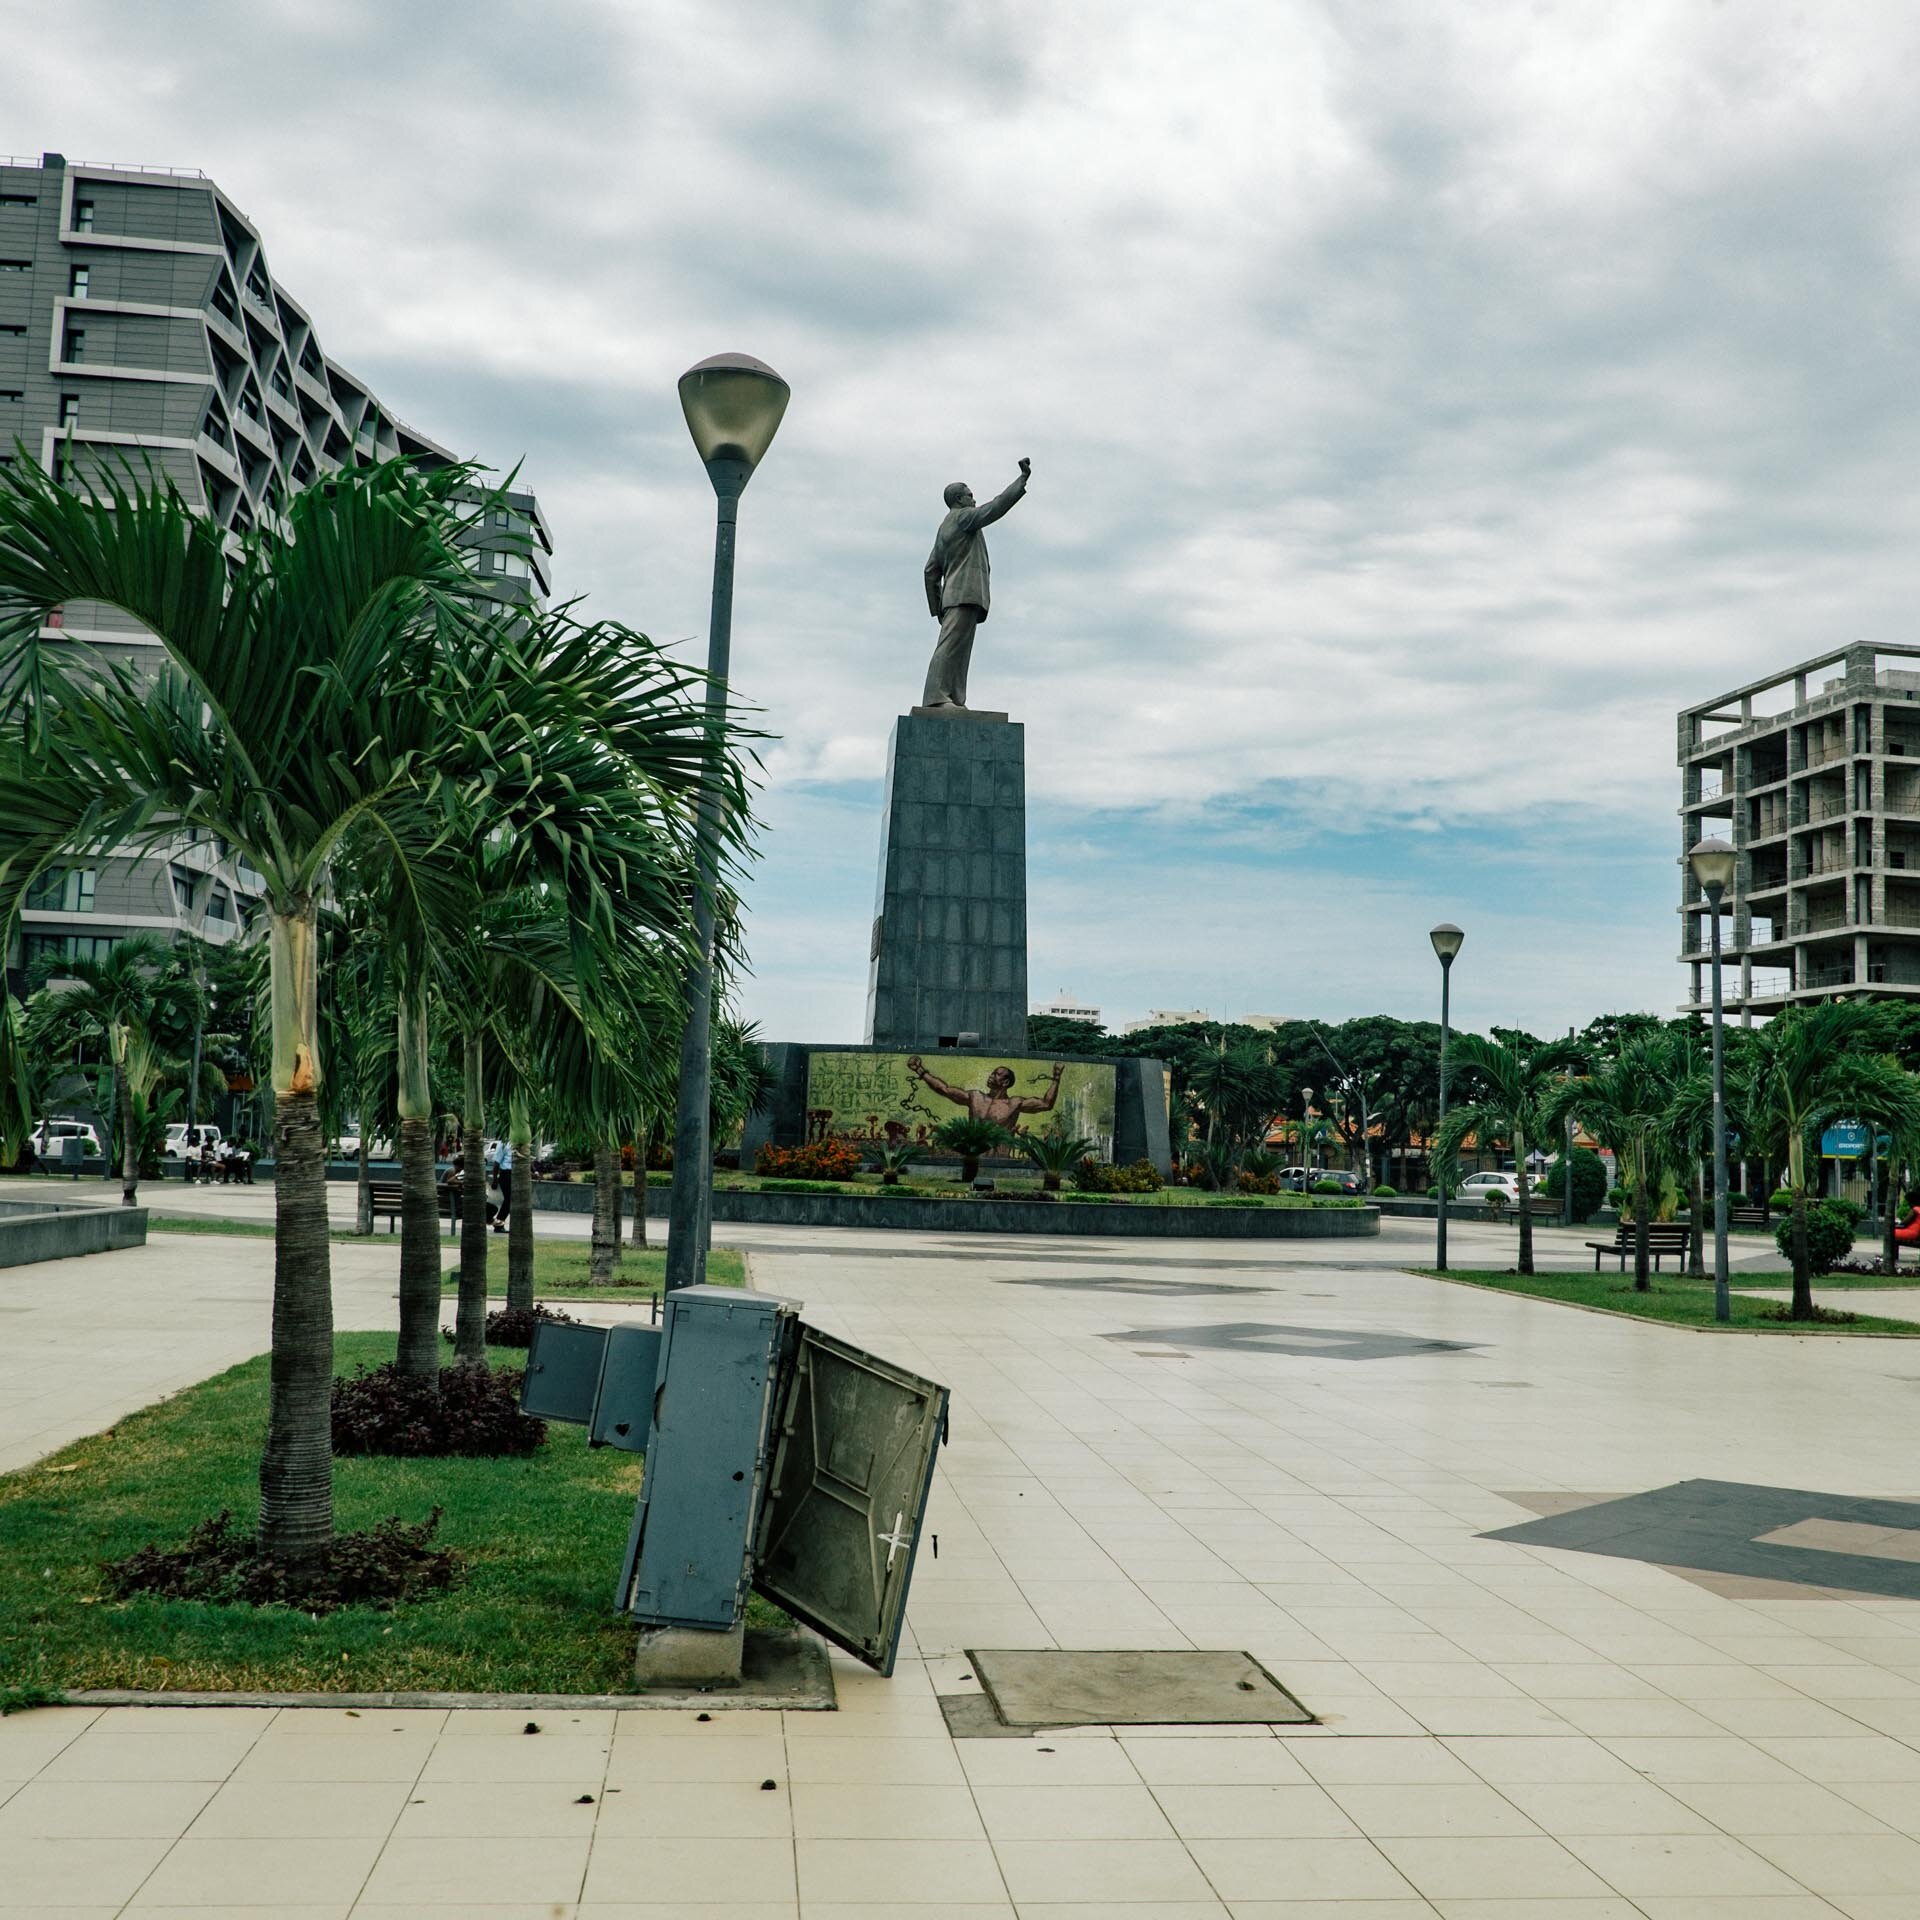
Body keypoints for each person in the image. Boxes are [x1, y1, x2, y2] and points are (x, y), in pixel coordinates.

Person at [920, 458, 1031, 709]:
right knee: (950, 649)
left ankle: (954, 698)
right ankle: (936, 698)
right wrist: (1021, 480)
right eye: (970, 496)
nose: (974, 499)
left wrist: (937, 607)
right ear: (959, 500)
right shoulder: (963, 518)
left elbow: (930, 571)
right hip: (964, 594)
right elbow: (996, 507)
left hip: (956, 598)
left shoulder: (944, 527)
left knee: (959, 651)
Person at [906, 1056, 1064, 1129]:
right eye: (992, 1073)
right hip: (972, 1155)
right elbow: (945, 1090)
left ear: (1006, 1082)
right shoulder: (976, 1097)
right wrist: (920, 1071)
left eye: (996, 1074)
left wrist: (1056, 1077)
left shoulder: (1014, 1103)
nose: (991, 1076)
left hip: (1001, 1159)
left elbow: (1046, 1104)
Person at [487, 1136, 513, 1235]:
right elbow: (496, 1163)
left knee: (511, 1200)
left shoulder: (521, 1143)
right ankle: (499, 1224)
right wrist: (494, 1179)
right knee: (509, 1200)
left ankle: (500, 1223)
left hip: (517, 1174)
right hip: (506, 1174)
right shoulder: (504, 1143)